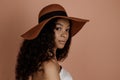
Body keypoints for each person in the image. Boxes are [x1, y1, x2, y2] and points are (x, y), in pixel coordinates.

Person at [15, 4, 89, 80]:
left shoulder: (40, 63)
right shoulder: (49, 66)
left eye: (67, 30)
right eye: (58, 28)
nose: (64, 35)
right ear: (46, 31)